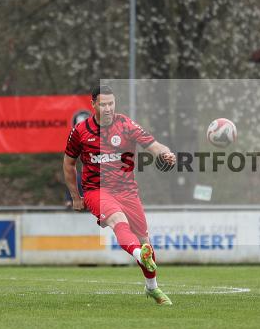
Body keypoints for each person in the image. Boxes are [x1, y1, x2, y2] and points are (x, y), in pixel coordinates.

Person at [63, 84, 176, 305]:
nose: (108, 108)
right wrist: (76, 196)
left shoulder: (125, 124)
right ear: (93, 104)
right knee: (117, 220)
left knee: (145, 240)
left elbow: (152, 145)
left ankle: (152, 288)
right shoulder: (80, 131)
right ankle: (137, 254)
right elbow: (68, 164)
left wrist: (166, 153)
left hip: (127, 191)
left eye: (111, 103)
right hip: (97, 190)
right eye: (103, 104)